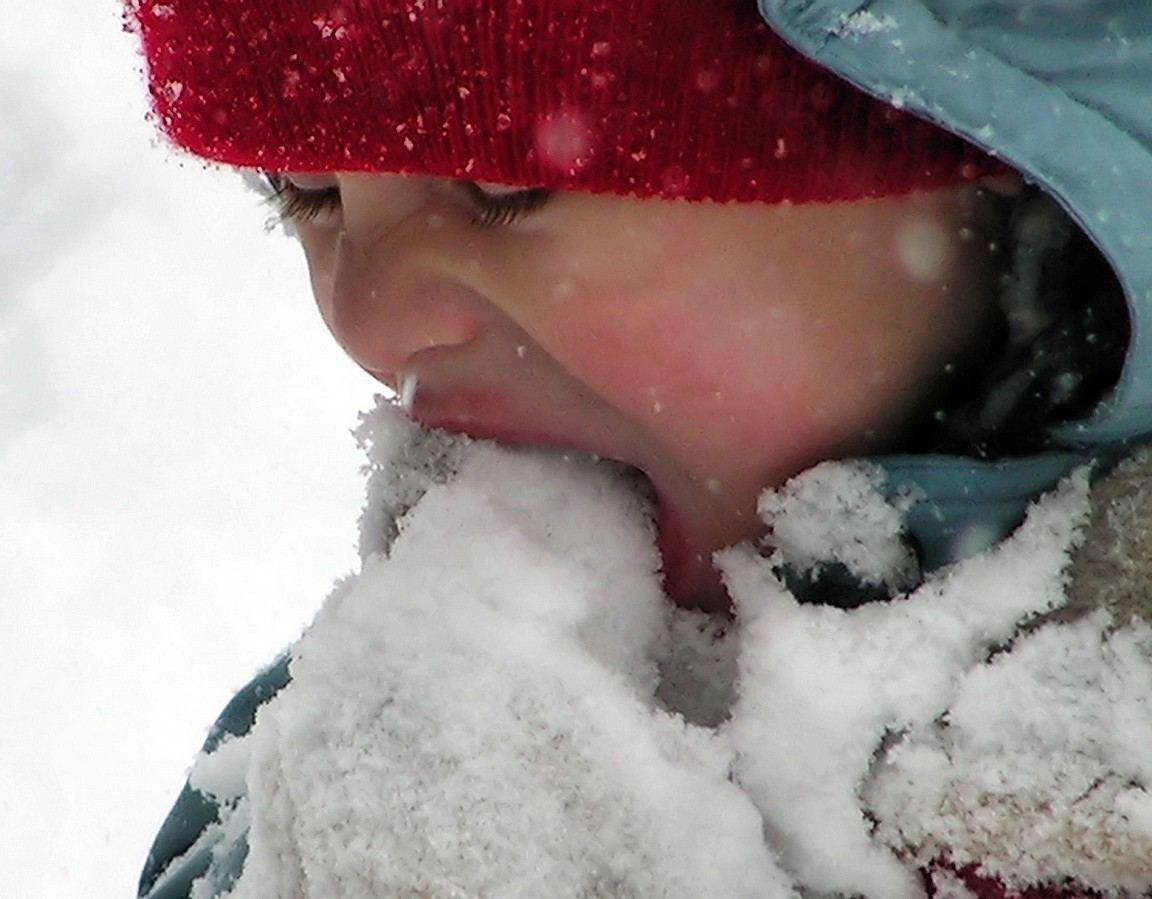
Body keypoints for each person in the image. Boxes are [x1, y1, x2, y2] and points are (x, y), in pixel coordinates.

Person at [125, 2, 1152, 897]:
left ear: (990, 137)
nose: (369, 316)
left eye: (503, 184)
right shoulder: (351, 724)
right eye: (305, 192)